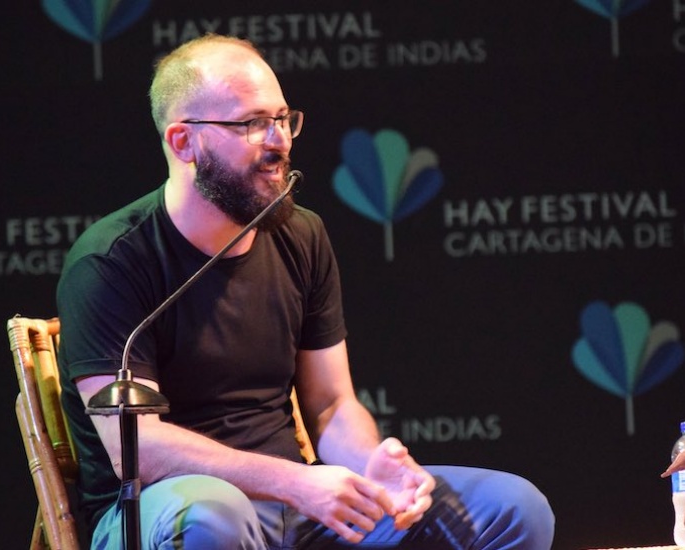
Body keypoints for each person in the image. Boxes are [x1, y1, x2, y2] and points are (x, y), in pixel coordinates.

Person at [57, 33, 555, 549]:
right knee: (212, 517)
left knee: (514, 508)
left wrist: (370, 467)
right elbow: (138, 449)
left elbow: (330, 405)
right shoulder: (111, 262)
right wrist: (295, 483)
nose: (279, 141)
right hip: (160, 509)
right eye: (252, 123)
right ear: (184, 142)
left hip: (293, 507)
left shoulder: (300, 234)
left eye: (282, 118)